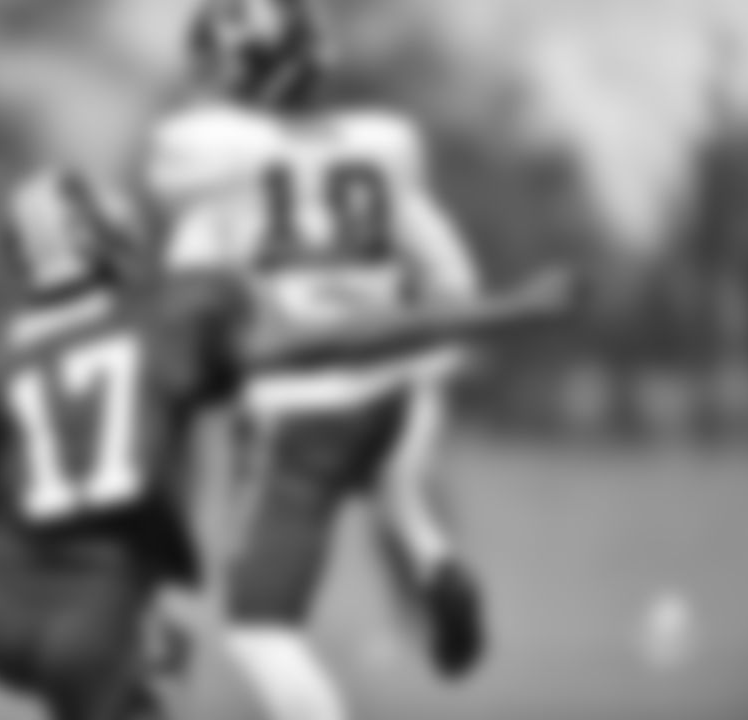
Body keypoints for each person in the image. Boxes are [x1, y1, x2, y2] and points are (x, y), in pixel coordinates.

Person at [0, 168, 570, 720]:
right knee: (152, 657)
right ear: (91, 239)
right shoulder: (167, 321)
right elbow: (335, 343)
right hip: (95, 624)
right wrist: (503, 310)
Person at [141, 1, 495, 718]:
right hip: (394, 392)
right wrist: (427, 372)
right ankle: (432, 558)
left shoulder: (217, 172)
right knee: (395, 483)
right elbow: (456, 284)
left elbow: (180, 324)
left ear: (244, 71)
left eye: (218, 67)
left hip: (295, 413)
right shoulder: (377, 153)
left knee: (258, 631)